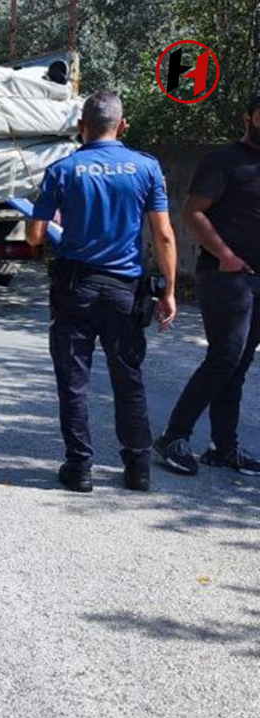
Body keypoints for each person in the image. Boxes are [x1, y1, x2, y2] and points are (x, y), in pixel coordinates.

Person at [27, 89, 178, 493]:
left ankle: (79, 469)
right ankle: (137, 469)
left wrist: (53, 220)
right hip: (125, 292)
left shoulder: (62, 170)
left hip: (74, 290)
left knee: (73, 381)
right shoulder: (146, 168)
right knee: (128, 380)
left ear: (81, 128)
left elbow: (34, 236)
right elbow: (163, 235)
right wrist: (169, 291)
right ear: (122, 125)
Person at [154, 91, 260, 478]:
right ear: (248, 117)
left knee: (240, 363)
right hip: (225, 277)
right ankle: (173, 437)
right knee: (225, 358)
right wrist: (227, 255)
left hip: (257, 280)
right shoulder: (224, 161)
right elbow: (191, 212)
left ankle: (224, 447)